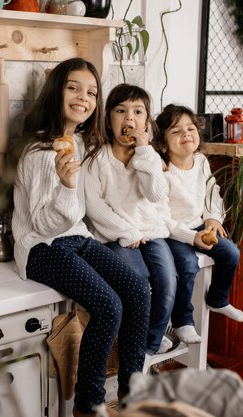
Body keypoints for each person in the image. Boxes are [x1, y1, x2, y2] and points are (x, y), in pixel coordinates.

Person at [11, 58, 151, 417]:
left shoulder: (75, 142)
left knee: (137, 290)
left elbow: (79, 215)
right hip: (42, 248)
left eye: (91, 92)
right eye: (73, 87)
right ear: (56, 92)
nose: (83, 97)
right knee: (108, 306)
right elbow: (44, 225)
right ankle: (89, 405)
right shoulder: (40, 152)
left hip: (75, 238)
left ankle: (133, 396)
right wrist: (67, 187)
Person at [84, 84, 177, 356]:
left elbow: (155, 193)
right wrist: (125, 232)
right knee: (138, 280)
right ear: (108, 119)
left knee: (168, 280)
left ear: (146, 121)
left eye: (138, 112)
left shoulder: (149, 156)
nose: (129, 119)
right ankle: (133, 343)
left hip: (151, 229)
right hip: (115, 235)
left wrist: (146, 152)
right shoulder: (97, 158)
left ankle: (149, 342)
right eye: (121, 111)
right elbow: (94, 206)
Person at [152, 104, 243, 345]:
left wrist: (213, 218)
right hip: (173, 233)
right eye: (176, 131)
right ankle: (183, 321)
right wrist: (190, 238)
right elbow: (163, 218)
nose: (186, 134)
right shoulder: (163, 171)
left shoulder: (201, 161)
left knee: (231, 253)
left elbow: (212, 192)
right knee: (187, 264)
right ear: (162, 143)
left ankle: (218, 298)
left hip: (199, 226)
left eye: (190, 128)